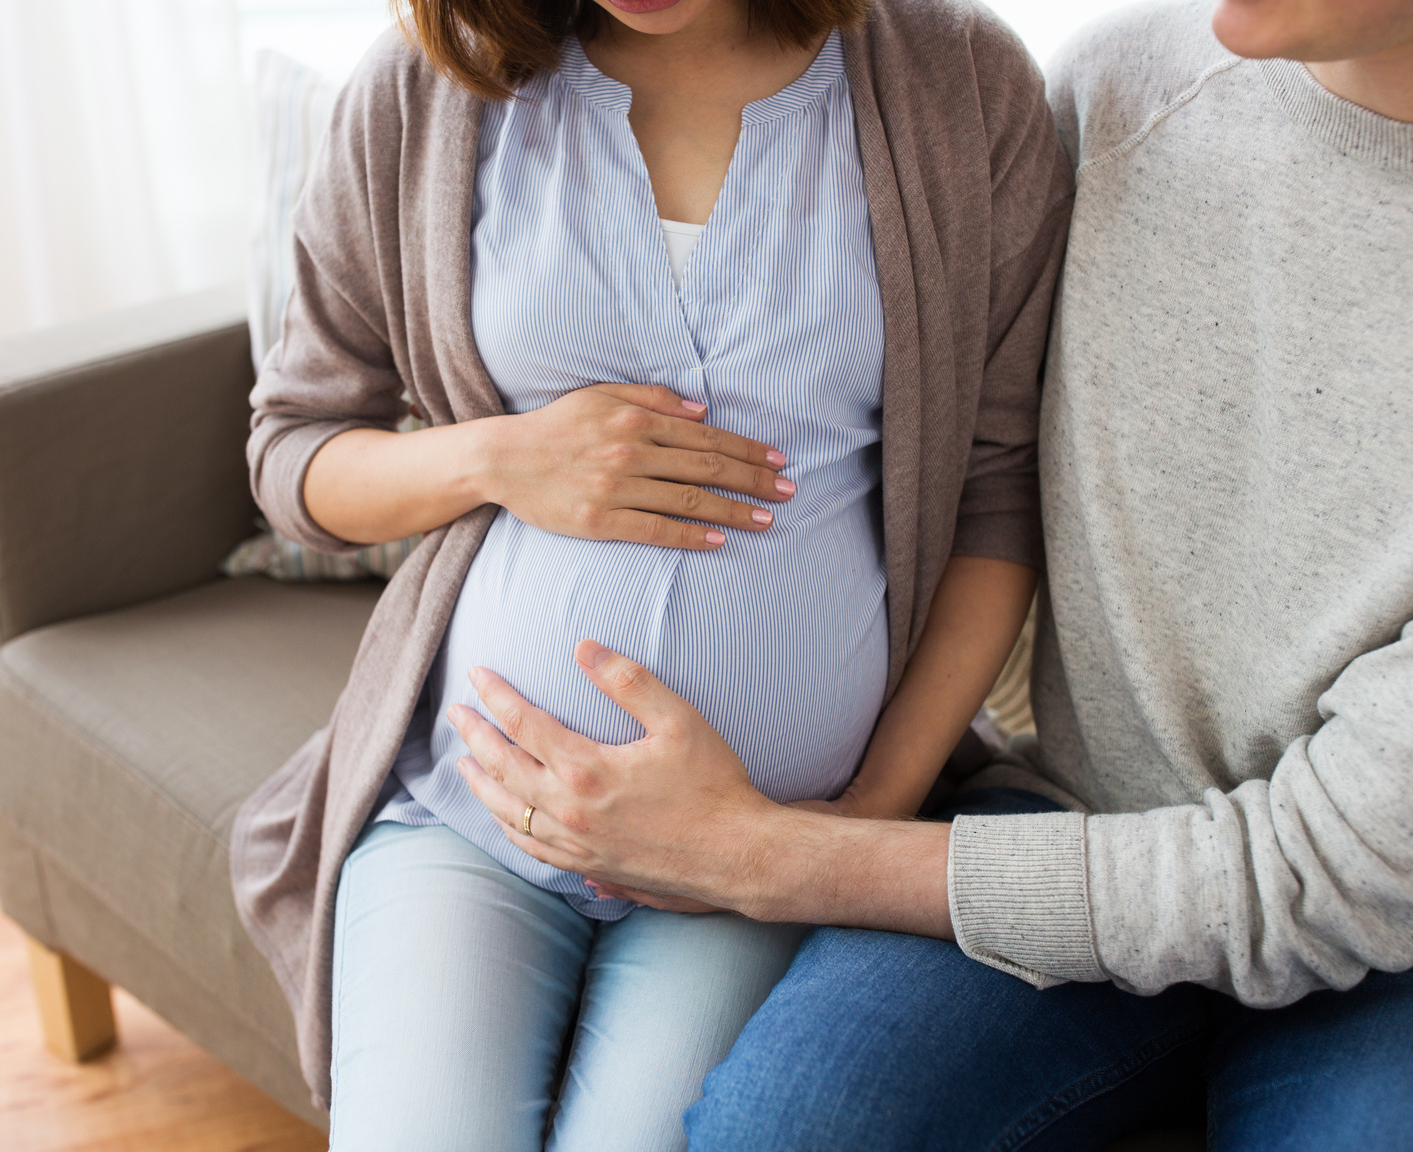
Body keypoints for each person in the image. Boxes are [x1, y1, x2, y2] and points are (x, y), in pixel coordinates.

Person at [448, 0, 1413, 1146]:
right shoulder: (1111, 93)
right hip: (1074, 808)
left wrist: (768, 855)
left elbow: (1303, 887)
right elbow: (941, 447)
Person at [228, 0, 1073, 1143]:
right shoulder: (425, 92)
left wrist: (842, 837)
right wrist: (498, 456)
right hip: (471, 814)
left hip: (763, 851)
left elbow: (998, 491)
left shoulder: (959, 84)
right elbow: (295, 453)